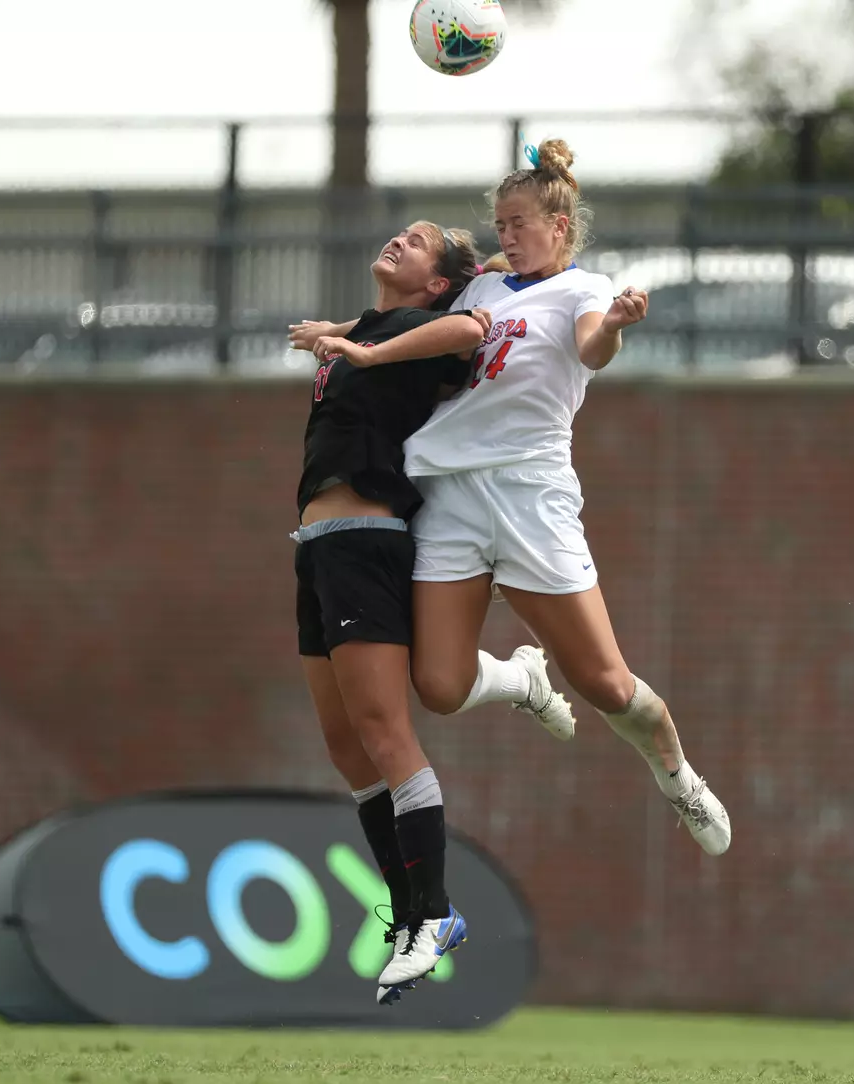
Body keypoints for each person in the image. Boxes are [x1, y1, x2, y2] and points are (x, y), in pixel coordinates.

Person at [311, 139, 732, 856]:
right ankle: (521, 678)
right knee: (439, 685)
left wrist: (620, 325)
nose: (505, 234)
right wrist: (345, 333)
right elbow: (422, 336)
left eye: (517, 222)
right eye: (500, 223)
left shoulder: (582, 291)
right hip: (448, 491)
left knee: (604, 683)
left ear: (558, 227)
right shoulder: (479, 291)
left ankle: (676, 771)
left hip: (528, 492)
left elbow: (593, 347)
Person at [287, 220, 564, 1007]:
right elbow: (383, 330)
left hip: (367, 541)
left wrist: (361, 347)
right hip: (316, 547)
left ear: (437, 282)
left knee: (385, 734)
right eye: (399, 233)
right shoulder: (376, 328)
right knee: (347, 751)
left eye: (418, 242)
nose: (398, 241)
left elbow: (474, 327)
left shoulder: (421, 329)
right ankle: (410, 914)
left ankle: (436, 913)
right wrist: (346, 334)